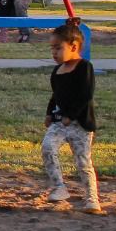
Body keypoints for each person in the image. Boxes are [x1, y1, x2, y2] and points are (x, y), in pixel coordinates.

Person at [43, 19, 100, 213]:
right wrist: (50, 113)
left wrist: (71, 115)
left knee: (83, 162)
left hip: (80, 124)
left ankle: (92, 198)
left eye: (58, 48)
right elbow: (56, 94)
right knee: (48, 147)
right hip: (59, 123)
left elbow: (85, 95)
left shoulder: (84, 68)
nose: (54, 53)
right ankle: (59, 187)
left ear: (74, 46)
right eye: (52, 49)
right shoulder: (57, 71)